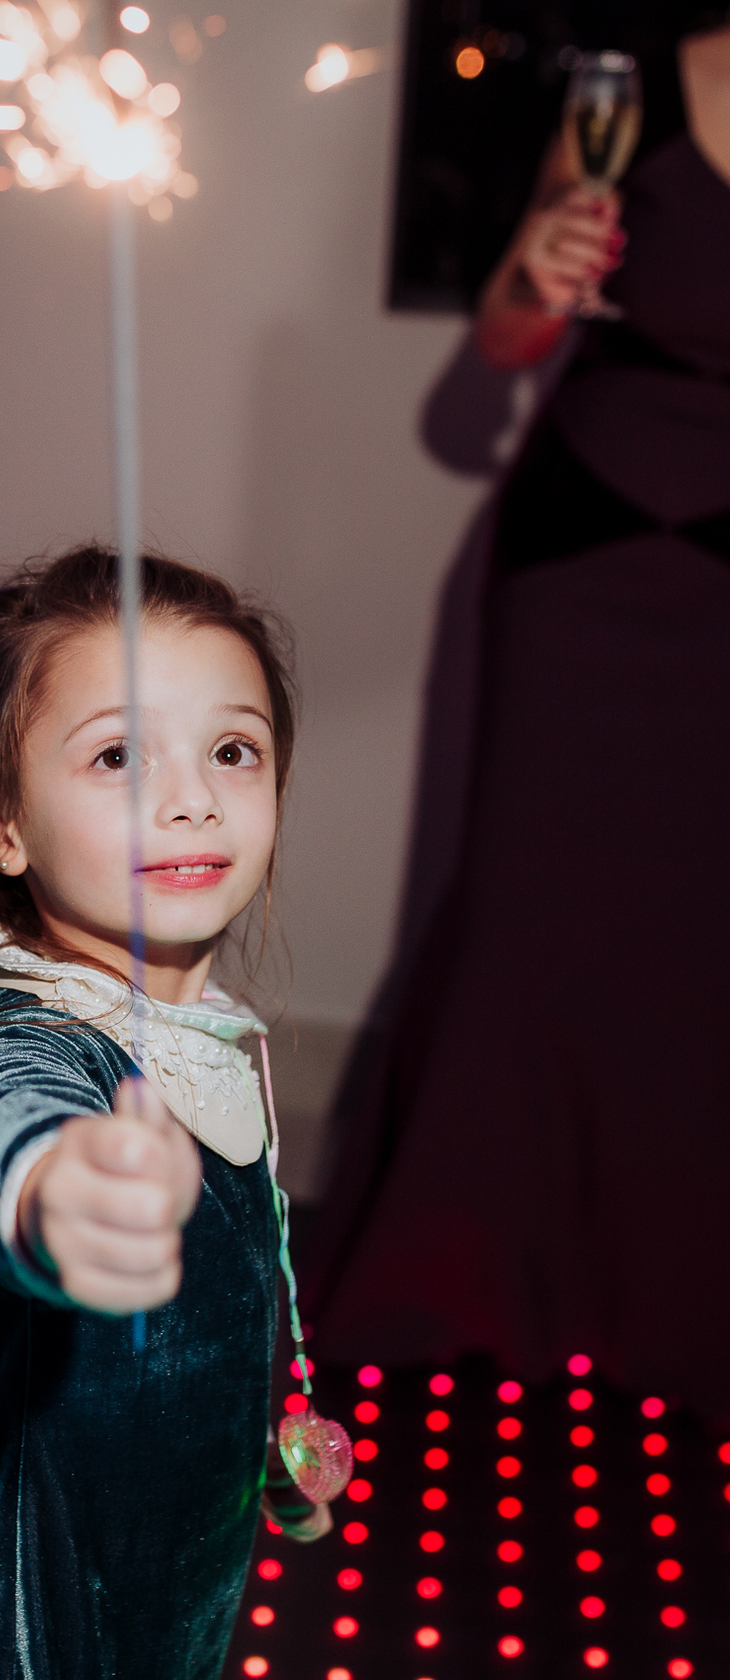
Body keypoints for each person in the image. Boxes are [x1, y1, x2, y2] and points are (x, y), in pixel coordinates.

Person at [301, 5, 730, 1419]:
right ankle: (463, 1289)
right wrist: (538, 275)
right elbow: (504, 341)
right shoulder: (635, 89)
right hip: (579, 567)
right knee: (528, 934)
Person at [0, 548, 329, 1680]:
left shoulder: (208, 1039)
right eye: (116, 755)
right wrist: (58, 1192)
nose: (192, 798)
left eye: (233, 751)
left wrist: (259, 1451)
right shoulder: (23, 1053)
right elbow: (3, 1127)